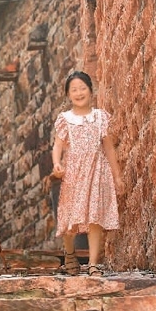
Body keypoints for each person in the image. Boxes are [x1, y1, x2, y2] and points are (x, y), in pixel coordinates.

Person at [52, 71, 125, 276]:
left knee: (95, 218)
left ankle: (93, 263)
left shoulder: (100, 117)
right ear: (68, 95)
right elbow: (58, 145)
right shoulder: (65, 119)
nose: (79, 93)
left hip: (97, 171)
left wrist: (117, 176)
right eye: (74, 90)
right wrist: (57, 163)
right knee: (70, 219)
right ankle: (69, 253)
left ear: (90, 91)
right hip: (73, 174)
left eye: (82, 88)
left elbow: (108, 147)